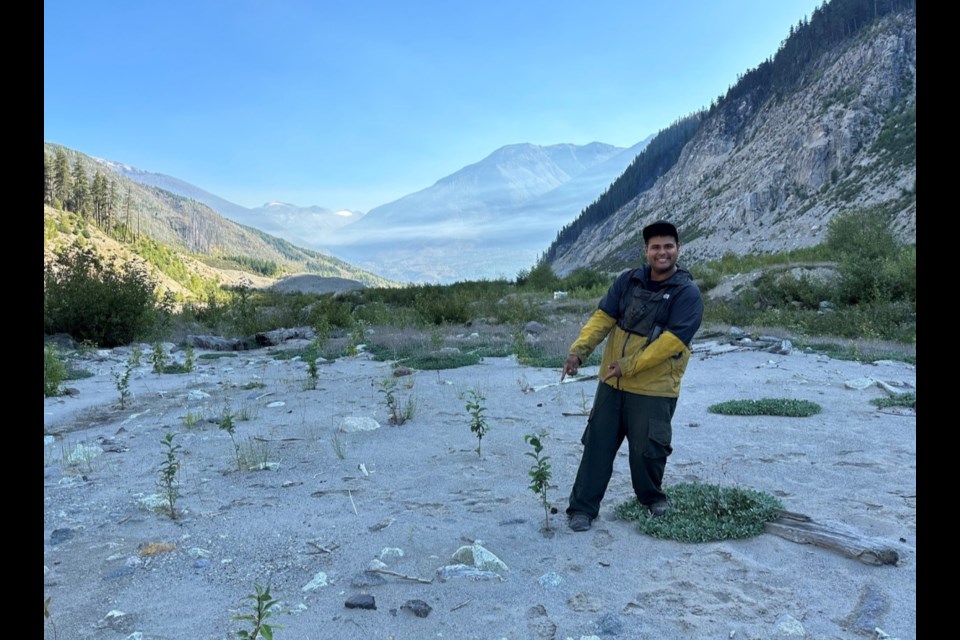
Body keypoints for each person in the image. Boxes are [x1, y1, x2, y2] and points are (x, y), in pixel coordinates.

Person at [560, 220, 704, 532]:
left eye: (668, 246)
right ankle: (582, 509)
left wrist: (628, 365)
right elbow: (602, 318)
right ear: (646, 251)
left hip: (654, 388)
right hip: (612, 383)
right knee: (597, 445)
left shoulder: (687, 293)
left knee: (648, 451)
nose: (661, 253)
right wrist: (578, 351)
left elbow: (670, 344)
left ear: (678, 249)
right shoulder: (628, 281)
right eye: (655, 247)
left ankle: (652, 498)